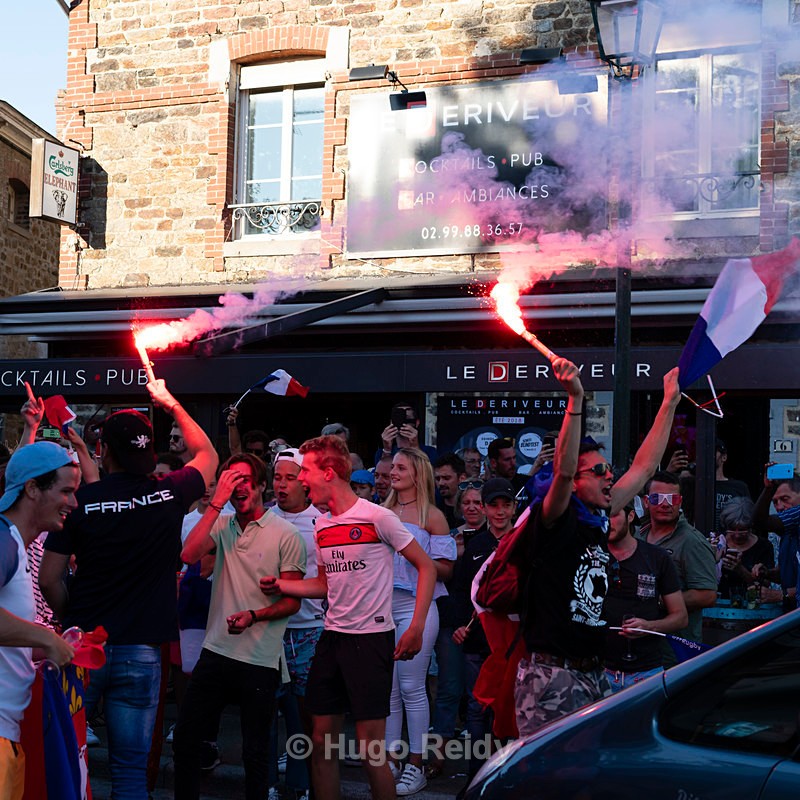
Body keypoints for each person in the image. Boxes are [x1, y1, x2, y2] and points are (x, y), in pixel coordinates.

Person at [39, 377, 218, 799]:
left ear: (106, 452)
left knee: (65, 762)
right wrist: (171, 403)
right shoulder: (169, 493)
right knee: (131, 772)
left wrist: (70, 617)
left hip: (82, 648)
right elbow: (209, 454)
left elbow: (49, 578)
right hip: (141, 651)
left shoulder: (83, 501)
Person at [260, 434, 437, 800]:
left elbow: (427, 568)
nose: (301, 479)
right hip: (331, 637)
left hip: (371, 641)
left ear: (328, 472)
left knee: (372, 751)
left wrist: (416, 626)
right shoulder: (322, 525)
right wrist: (282, 585)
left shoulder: (378, 517)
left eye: (305, 471)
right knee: (321, 743)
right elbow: (325, 585)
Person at [514, 359, 681, 737]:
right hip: (552, 676)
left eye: (609, 470)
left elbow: (644, 467)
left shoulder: (601, 518)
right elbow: (564, 472)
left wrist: (669, 401)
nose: (610, 477)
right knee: (551, 783)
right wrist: (575, 398)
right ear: (577, 483)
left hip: (593, 670)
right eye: (600, 471)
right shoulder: (554, 520)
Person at [173, 453, 306, 800]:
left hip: (259, 658)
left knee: (255, 753)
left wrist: (254, 615)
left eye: (246, 479)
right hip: (215, 649)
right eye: (231, 480)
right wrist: (216, 504)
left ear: (262, 486)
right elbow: (188, 556)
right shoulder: (221, 523)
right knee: (187, 740)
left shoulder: (286, 533)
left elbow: (293, 602)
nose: (239, 487)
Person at [0, 442, 78, 800]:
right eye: (65, 491)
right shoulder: (4, 540)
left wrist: (56, 646)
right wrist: (46, 639)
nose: (73, 503)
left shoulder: (14, 542)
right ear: (32, 488)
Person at [383, 448, 455, 796]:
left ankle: (415, 764)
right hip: (382, 607)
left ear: (417, 473)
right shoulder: (381, 511)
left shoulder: (434, 516)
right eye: (393, 466)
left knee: (413, 687)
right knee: (389, 689)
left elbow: (446, 570)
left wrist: (413, 552)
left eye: (400, 467)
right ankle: (390, 760)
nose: (392, 472)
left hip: (418, 608)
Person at [452, 478, 516, 781]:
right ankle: (476, 778)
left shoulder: (525, 542)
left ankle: (507, 777)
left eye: (506, 505)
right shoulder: (475, 544)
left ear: (516, 507)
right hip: (478, 644)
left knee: (511, 712)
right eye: (494, 505)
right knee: (477, 711)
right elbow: (463, 590)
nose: (500, 512)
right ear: (485, 508)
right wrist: (458, 626)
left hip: (514, 645)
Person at [271, 447, 323, 800]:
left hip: (310, 632)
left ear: (305, 482)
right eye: (277, 477)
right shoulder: (259, 519)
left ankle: (301, 786)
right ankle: (268, 785)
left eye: (291, 478)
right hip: (267, 632)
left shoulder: (323, 522)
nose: (282, 485)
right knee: (264, 713)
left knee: (303, 715)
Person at [426, 480, 485, 780]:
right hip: (451, 621)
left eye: (478, 502)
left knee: (478, 698)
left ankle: (481, 764)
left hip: (483, 626)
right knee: (448, 690)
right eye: (467, 503)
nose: (472, 507)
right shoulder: (448, 538)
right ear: (460, 507)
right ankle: (437, 757)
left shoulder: (496, 539)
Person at [603, 503, 687, 692]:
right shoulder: (591, 555)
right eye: (602, 516)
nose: (607, 522)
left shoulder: (657, 557)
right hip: (598, 670)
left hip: (646, 673)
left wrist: (649, 626)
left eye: (613, 515)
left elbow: (680, 617)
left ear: (631, 515)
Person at [636, 471, 718, 662]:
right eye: (658, 498)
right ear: (646, 502)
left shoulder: (691, 541)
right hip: (642, 650)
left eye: (672, 498)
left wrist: (659, 600)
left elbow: (707, 595)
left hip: (675, 654)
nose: (665, 504)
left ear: (680, 502)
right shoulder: (638, 535)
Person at [752, 470, 800, 610]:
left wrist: (780, 594)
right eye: (775, 502)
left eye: (785, 499)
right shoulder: (787, 531)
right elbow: (787, 574)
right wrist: (767, 573)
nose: (779, 507)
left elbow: (760, 522)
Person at [717, 497, 775, 603]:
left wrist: (741, 570)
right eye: (732, 529)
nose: (737, 535)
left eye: (743, 530)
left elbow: (765, 584)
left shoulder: (763, 547)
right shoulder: (718, 543)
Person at [713, 440, 751, 531]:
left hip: (733, 538)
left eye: (714, 451)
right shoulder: (698, 486)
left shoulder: (739, 487)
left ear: (724, 457)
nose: (710, 455)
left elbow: (748, 517)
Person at [433, 453, 466, 530]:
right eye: (437, 479)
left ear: (462, 478)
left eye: (446, 478)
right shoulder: (432, 509)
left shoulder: (471, 508)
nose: (441, 483)